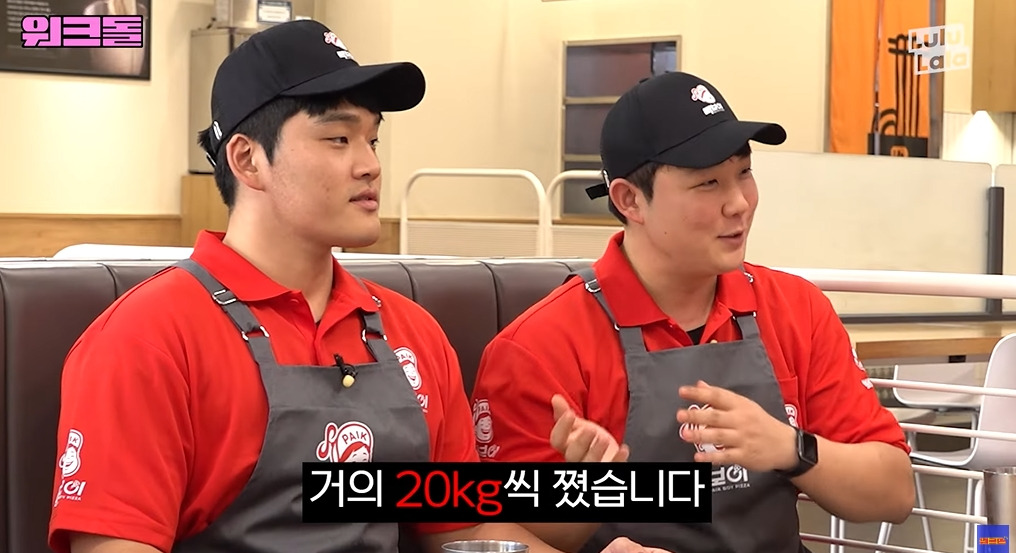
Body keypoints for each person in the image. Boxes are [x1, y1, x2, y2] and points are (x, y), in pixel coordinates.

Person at [46, 19, 669, 553]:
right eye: (338, 138)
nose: (370, 163)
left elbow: (463, 526)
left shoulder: (410, 333)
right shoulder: (149, 338)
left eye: (372, 138)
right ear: (246, 159)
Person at [469, 71, 917, 553]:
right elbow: (496, 536)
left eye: (744, 173)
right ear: (629, 200)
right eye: (708, 183)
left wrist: (791, 448)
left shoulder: (796, 309)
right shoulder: (538, 347)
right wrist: (589, 490)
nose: (739, 203)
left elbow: (894, 493)